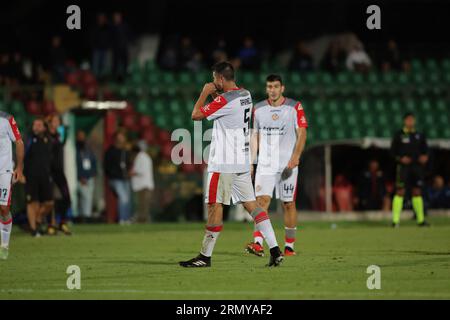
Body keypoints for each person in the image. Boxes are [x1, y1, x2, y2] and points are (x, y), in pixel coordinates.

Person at [180, 62, 283, 268]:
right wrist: (215, 96)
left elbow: (196, 115)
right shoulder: (245, 94)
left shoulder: (224, 99)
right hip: (241, 162)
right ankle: (275, 249)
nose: (212, 82)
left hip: (224, 163)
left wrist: (204, 92)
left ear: (220, 79)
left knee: (214, 206)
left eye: (213, 78)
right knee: (252, 205)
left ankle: (205, 256)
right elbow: (224, 106)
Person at [245, 74, 308, 257]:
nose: (272, 90)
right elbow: (254, 136)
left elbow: (302, 133)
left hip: (287, 164)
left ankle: (289, 246)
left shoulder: (294, 107)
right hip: (265, 164)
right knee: (261, 202)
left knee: (288, 203)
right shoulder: (258, 109)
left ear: (282, 88)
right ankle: (258, 244)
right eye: (269, 87)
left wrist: (296, 156)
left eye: (275, 86)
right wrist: (251, 162)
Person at [391, 112, 429, 227]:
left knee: (417, 192)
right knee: (400, 191)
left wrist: (425, 157)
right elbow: (392, 153)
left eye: (412, 120)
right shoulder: (399, 135)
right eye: (408, 120)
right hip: (403, 168)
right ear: (404, 121)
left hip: (416, 167)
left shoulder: (419, 135)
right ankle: (395, 221)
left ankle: (421, 220)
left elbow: (426, 151)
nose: (410, 122)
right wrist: (400, 159)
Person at [24, 118, 54, 237]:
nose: (36, 126)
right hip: (31, 176)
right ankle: (33, 229)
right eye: (34, 124)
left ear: (44, 128)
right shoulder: (29, 139)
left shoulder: (49, 140)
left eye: (39, 124)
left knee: (49, 202)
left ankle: (38, 219)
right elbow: (21, 155)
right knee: (32, 203)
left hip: (45, 176)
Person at [0, 111, 24, 260]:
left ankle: (4, 245)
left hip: (4, 170)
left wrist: (20, 168)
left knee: (4, 208)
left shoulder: (7, 119)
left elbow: (19, 142)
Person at [47, 114, 72, 235]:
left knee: (66, 197)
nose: (57, 123)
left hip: (58, 170)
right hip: (47, 171)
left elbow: (62, 143)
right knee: (49, 200)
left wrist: (64, 132)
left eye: (58, 121)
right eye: (55, 120)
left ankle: (62, 222)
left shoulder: (58, 136)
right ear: (50, 123)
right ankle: (50, 225)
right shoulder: (45, 136)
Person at [104, 131, 132, 224]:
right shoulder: (110, 151)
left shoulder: (125, 151)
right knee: (123, 197)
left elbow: (128, 164)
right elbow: (106, 166)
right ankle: (122, 219)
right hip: (115, 179)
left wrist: (128, 172)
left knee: (127, 199)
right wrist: (112, 175)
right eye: (119, 137)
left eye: (122, 137)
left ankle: (127, 218)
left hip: (125, 178)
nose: (121, 139)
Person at [130, 140, 154, 223]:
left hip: (143, 185)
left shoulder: (142, 157)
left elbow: (141, 171)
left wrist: (132, 172)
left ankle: (143, 221)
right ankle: (143, 221)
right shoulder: (143, 156)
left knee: (143, 206)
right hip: (143, 185)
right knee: (143, 206)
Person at [76, 130, 97, 220]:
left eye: (83, 136)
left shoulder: (88, 149)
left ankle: (86, 217)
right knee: (80, 199)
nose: (82, 138)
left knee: (88, 198)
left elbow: (94, 163)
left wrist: (93, 174)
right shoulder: (74, 149)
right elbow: (74, 165)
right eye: (79, 136)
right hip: (79, 178)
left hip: (89, 177)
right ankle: (81, 217)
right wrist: (80, 176)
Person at [111, 12, 131, 81]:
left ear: (120, 18)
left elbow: (128, 34)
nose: (117, 18)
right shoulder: (112, 26)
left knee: (125, 62)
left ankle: (124, 75)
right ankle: (114, 77)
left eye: (118, 17)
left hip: (123, 47)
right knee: (115, 63)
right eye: (115, 17)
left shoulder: (125, 25)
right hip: (116, 48)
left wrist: (128, 42)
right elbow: (110, 37)